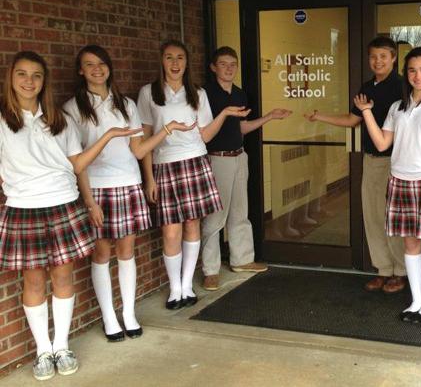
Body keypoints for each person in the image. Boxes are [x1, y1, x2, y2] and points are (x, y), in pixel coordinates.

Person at [0, 51, 139, 380]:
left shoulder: (58, 120)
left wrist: (106, 138)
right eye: (22, 74)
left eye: (36, 75)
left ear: (44, 80)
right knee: (33, 281)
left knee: (63, 278)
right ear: (11, 79)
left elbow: (77, 165)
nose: (29, 81)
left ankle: (61, 346)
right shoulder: (3, 121)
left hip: (63, 202)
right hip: (24, 208)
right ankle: (42, 351)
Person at [64, 45, 196, 342]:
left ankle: (128, 313)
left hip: (129, 183)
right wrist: (87, 200)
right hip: (97, 188)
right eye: (89, 65)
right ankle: (109, 317)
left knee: (126, 251)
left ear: (109, 67)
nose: (97, 69)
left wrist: (166, 130)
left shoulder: (126, 104)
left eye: (102, 64)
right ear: (80, 71)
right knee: (101, 253)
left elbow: (138, 149)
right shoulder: (72, 108)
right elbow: (77, 161)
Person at [138, 40, 248, 310]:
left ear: (187, 63)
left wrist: (223, 113)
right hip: (166, 166)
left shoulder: (197, 92)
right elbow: (145, 137)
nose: (175, 64)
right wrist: (149, 178)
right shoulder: (149, 93)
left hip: (196, 162)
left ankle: (187, 286)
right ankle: (174, 289)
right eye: (169, 58)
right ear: (161, 61)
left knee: (192, 226)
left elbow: (206, 134)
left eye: (180, 58)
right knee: (171, 231)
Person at [354, 47, 421, 323]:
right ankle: (416, 300)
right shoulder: (397, 107)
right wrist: (366, 112)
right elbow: (381, 143)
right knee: (410, 244)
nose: (418, 75)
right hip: (400, 181)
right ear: (406, 73)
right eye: (412, 70)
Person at [305, 37, 407, 293]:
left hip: (397, 162)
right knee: (373, 216)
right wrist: (320, 116)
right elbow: (352, 120)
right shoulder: (366, 87)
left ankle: (401, 271)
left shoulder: (403, 87)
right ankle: (383, 269)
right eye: (373, 56)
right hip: (372, 160)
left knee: (393, 218)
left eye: (383, 56)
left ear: (394, 58)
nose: (378, 61)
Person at [201, 46, 291, 290]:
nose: (229, 68)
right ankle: (210, 269)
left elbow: (241, 128)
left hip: (240, 156)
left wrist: (270, 117)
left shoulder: (239, 94)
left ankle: (242, 260)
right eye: (223, 64)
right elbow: (204, 132)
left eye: (233, 64)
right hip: (217, 158)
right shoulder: (204, 94)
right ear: (213, 67)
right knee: (215, 216)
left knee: (240, 212)